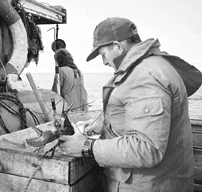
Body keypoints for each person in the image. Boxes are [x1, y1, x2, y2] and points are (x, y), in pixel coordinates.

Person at [58, 17, 202, 192]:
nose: (104, 62)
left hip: (149, 185)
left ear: (118, 46)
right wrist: (106, 125)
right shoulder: (153, 66)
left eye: (103, 54)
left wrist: (86, 146)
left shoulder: (145, 76)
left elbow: (147, 148)